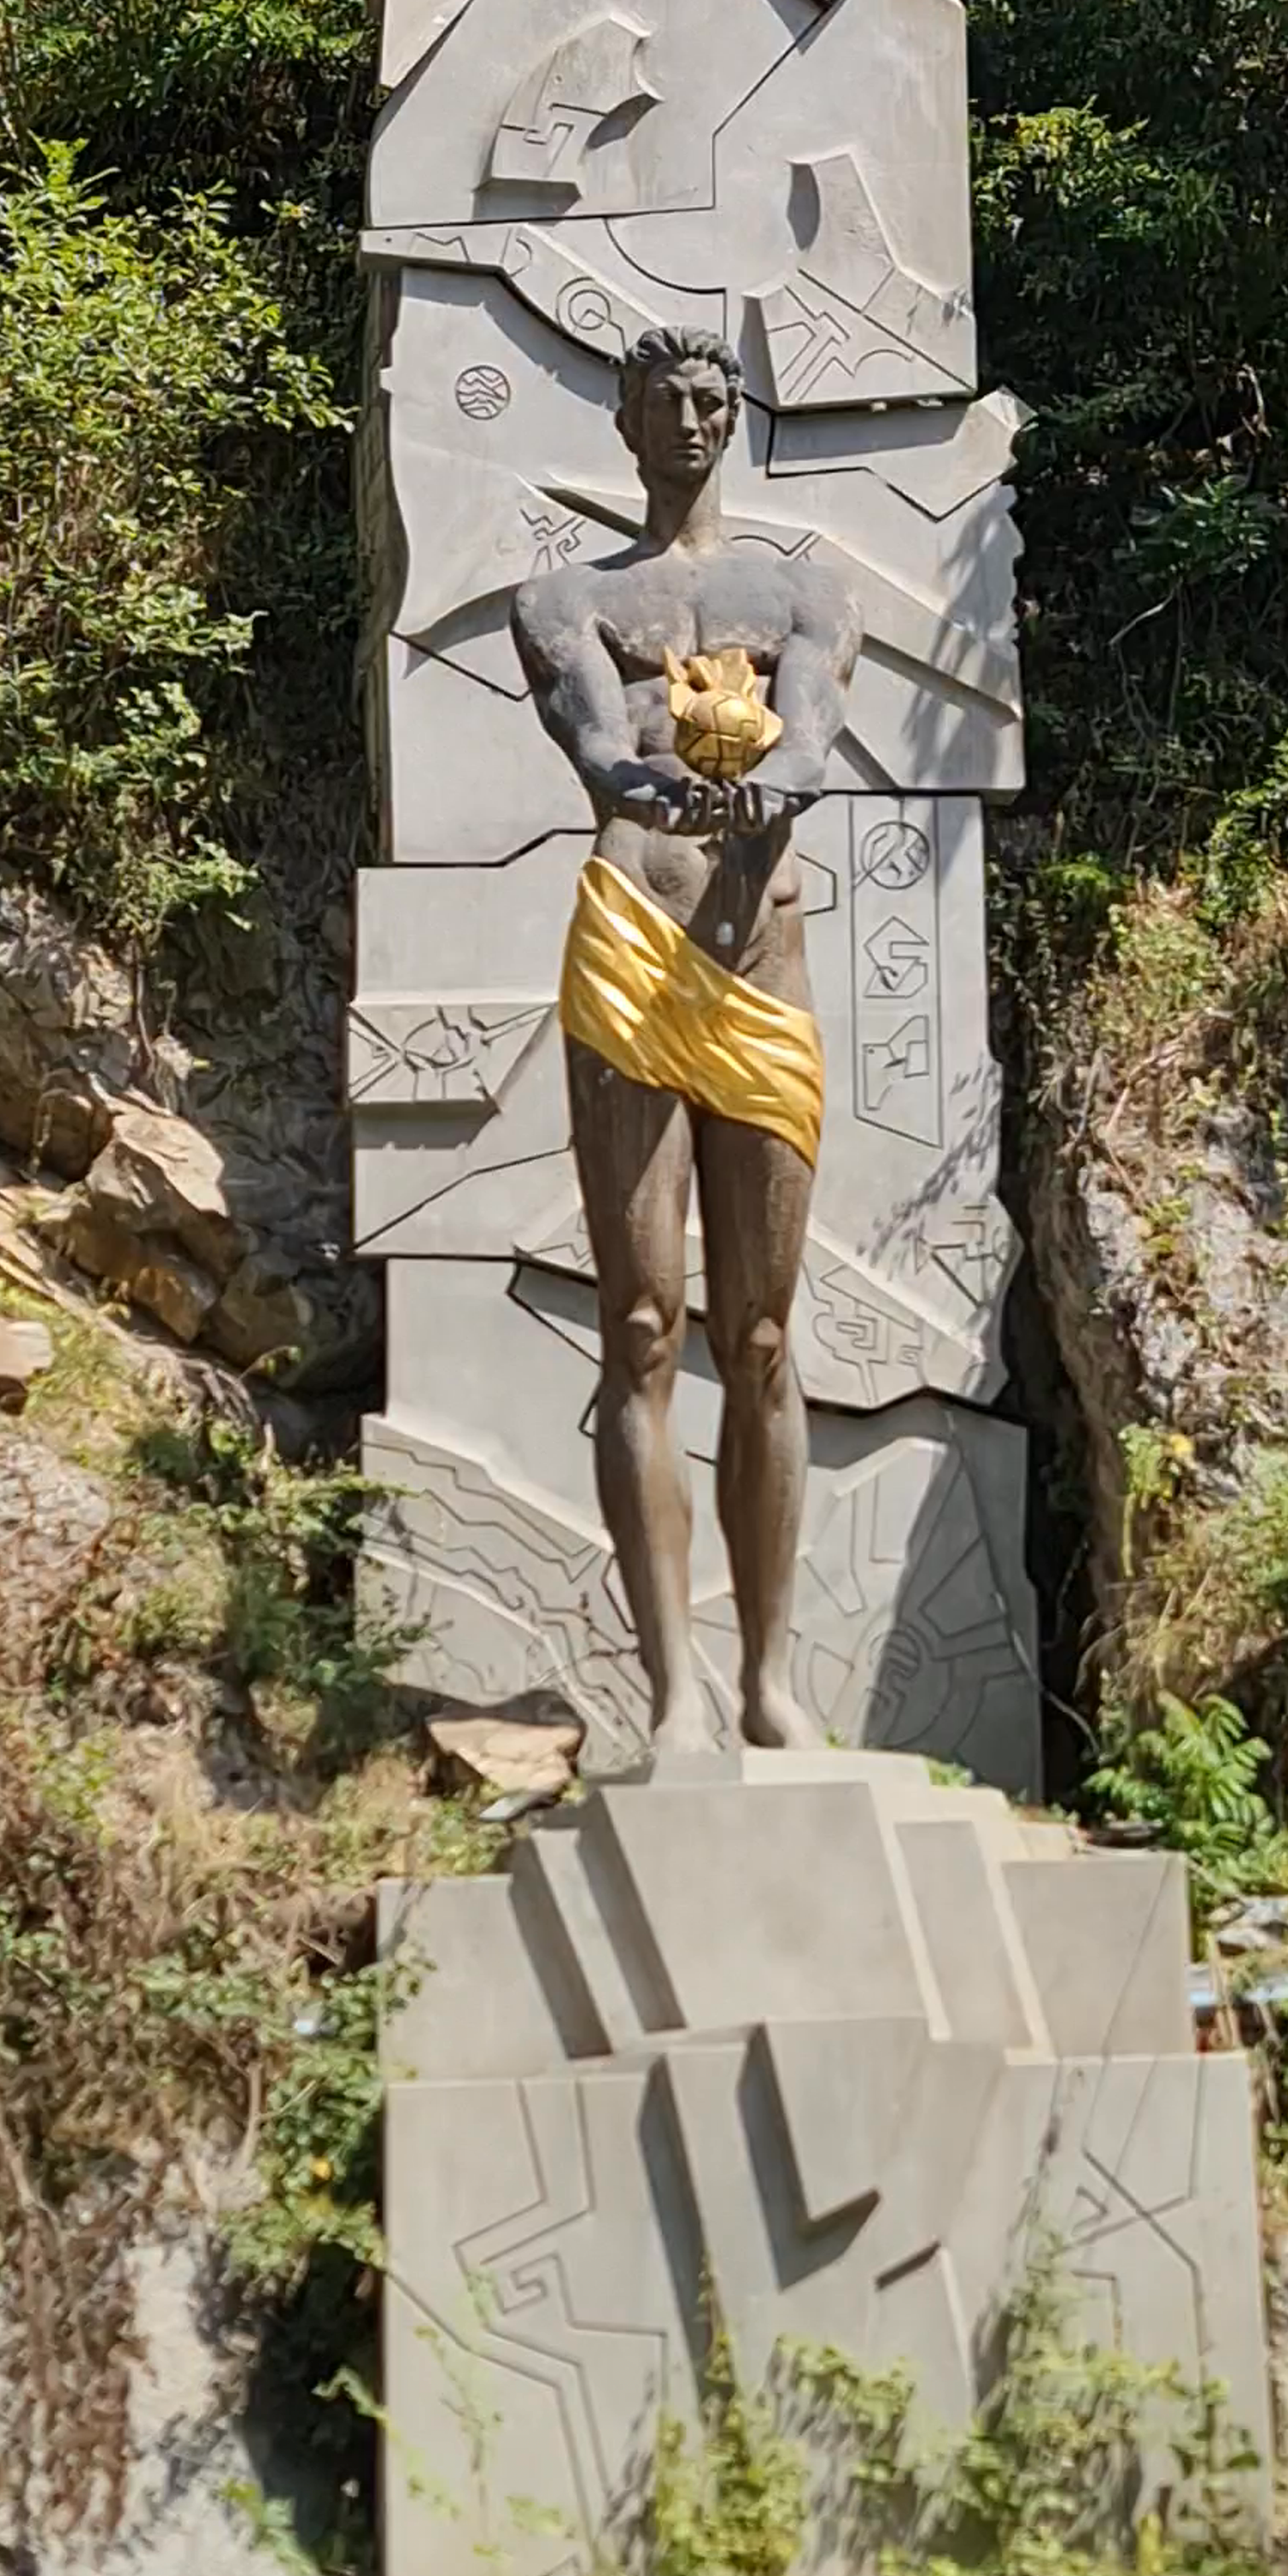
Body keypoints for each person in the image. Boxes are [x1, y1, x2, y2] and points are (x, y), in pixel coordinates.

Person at [513, 324, 859, 1753]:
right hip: (638, 946)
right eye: (667, 402)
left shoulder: (800, 589)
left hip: (760, 948)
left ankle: (771, 1678)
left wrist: (777, 774)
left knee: (763, 1330)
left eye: (715, 400)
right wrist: (650, 779)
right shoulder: (568, 596)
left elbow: (814, 731)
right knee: (643, 1323)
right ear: (627, 419)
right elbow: (597, 740)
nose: (694, 422)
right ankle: (673, 1691)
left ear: (739, 416)